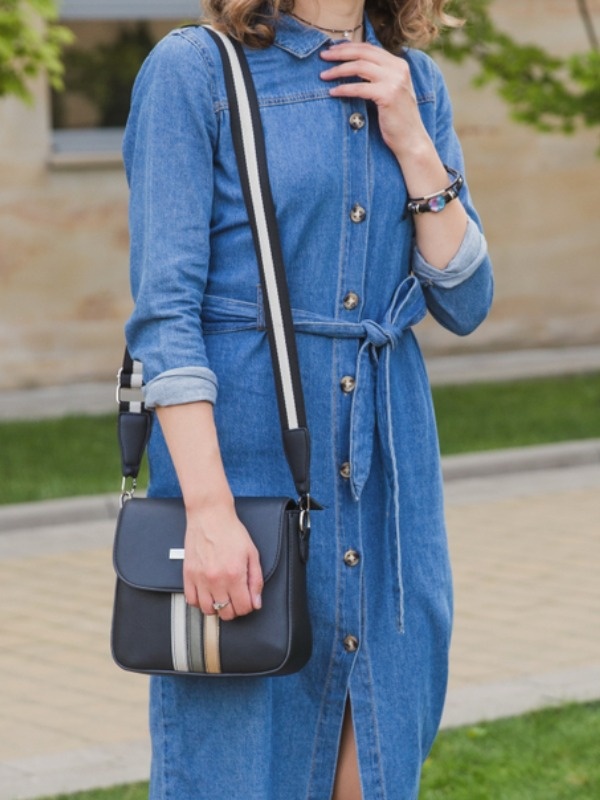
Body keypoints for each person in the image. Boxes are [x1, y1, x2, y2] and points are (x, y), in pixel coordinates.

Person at [123, 0, 493, 796]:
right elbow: (165, 316)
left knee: (381, 763)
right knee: (240, 766)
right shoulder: (195, 70)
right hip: (248, 479)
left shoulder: (416, 82)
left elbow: (466, 301)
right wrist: (207, 512)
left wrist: (413, 139)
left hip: (388, 489)